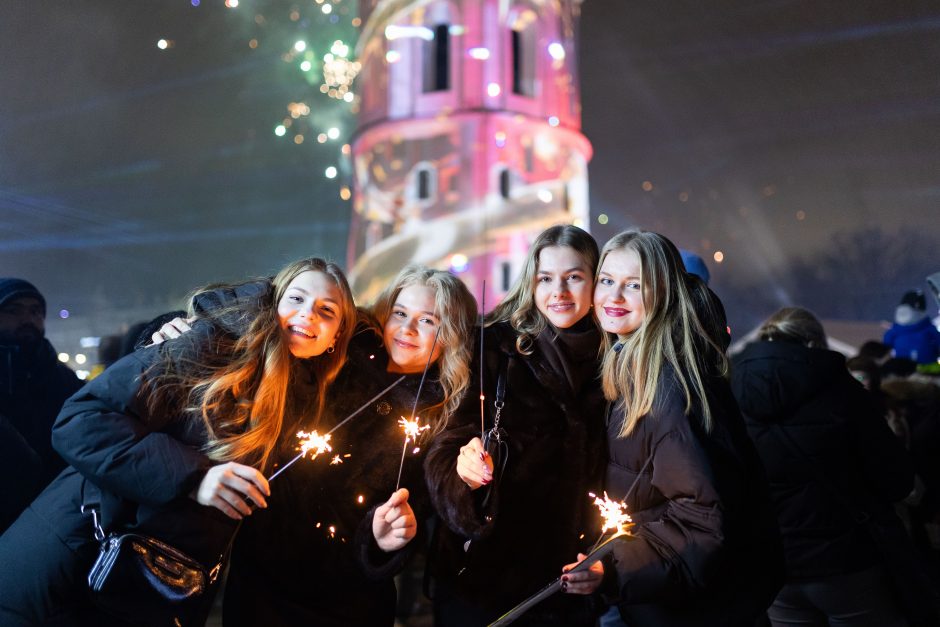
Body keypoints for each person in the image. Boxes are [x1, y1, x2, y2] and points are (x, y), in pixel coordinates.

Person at [0, 257, 358, 625]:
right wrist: (195, 478)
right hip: (74, 560)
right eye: (296, 299)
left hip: (147, 583)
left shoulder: (299, 398)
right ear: (273, 303)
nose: (308, 314)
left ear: (336, 336)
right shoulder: (209, 345)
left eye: (326, 311)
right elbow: (82, 420)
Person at [217, 264, 478, 626]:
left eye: (428, 321)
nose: (407, 328)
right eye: (400, 313)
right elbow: (266, 306)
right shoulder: (335, 350)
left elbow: (419, 510)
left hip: (347, 601)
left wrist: (382, 539)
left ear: (451, 335)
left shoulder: (442, 418)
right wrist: (169, 327)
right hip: (262, 583)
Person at [594, 229, 783, 626]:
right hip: (673, 599)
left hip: (695, 608)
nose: (614, 297)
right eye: (607, 280)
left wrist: (610, 567)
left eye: (634, 286)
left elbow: (701, 518)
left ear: (662, 294)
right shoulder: (634, 365)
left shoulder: (666, 387)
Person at [424, 224, 609, 626]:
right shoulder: (494, 347)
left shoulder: (615, 362)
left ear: (595, 282)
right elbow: (444, 447)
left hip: (567, 591)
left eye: (573, 277)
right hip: (483, 584)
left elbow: (622, 481)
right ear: (531, 281)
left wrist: (602, 562)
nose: (558, 292)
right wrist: (463, 470)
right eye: (546, 278)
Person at [733, 306, 918, 627]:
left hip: (775, 566)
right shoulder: (844, 393)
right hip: (848, 563)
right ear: (814, 343)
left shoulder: (731, 395)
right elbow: (896, 480)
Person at [0, 278, 82, 533]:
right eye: (14, 310)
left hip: (55, 511)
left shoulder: (62, 378)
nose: (28, 318)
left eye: (35, 311)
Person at [884, 289, 940, 365]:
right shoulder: (928, 329)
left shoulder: (895, 330)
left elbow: (885, 348)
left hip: (902, 369)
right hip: (928, 368)